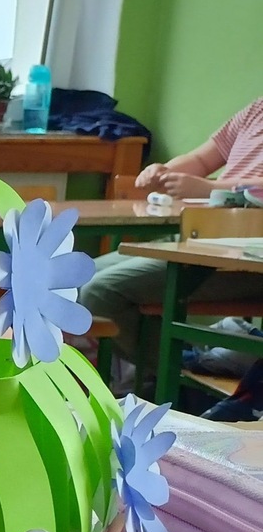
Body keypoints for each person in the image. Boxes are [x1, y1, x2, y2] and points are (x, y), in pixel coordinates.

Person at [81, 98, 263, 369]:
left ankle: (191, 368)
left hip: (247, 258)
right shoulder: (257, 109)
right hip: (202, 240)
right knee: (76, 282)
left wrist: (209, 188)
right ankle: (197, 361)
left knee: (100, 294)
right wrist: (164, 172)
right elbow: (201, 159)